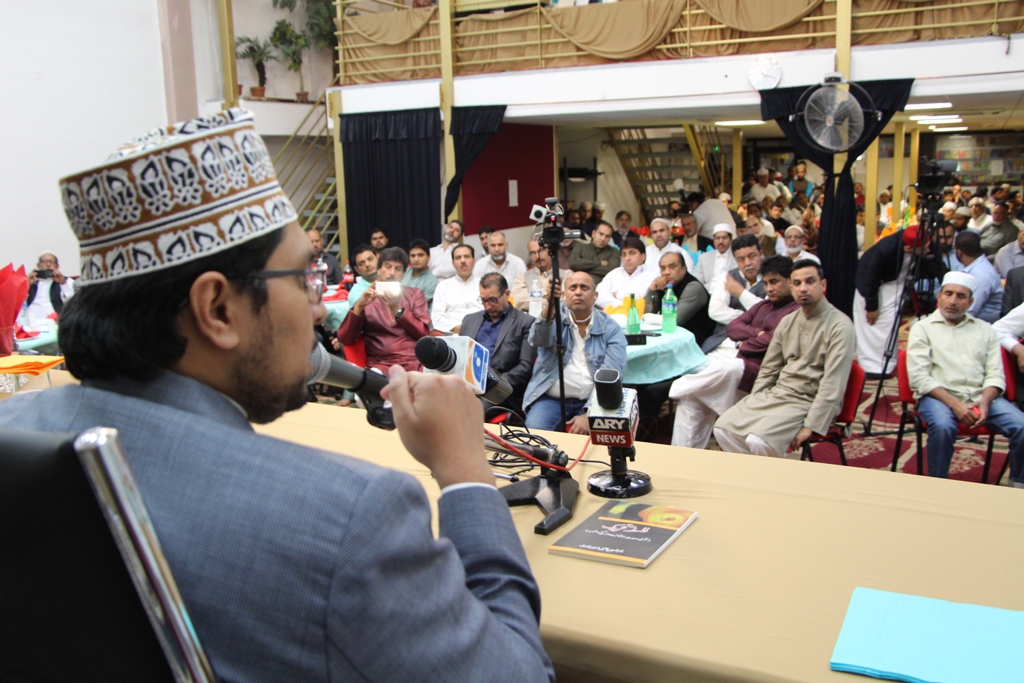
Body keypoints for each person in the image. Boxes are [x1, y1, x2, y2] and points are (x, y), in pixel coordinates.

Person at [0, 109, 554, 681]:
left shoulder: (12, 427)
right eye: (303, 277)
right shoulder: (350, 517)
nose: (318, 307)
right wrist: (466, 475)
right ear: (218, 310)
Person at [714, 260, 856, 458]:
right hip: (778, 394)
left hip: (808, 400)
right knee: (723, 428)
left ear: (823, 285)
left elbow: (833, 383)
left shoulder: (840, 326)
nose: (803, 288)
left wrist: (811, 425)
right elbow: (769, 369)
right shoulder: (787, 322)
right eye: (797, 283)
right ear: (791, 286)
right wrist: (755, 401)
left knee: (758, 440)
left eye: (809, 281)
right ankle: (755, 475)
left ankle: (773, 476)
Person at [907, 271, 1024, 485]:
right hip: (938, 397)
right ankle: (937, 486)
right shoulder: (922, 328)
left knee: (1022, 425)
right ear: (939, 296)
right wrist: (956, 405)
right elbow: (919, 378)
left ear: (970, 302)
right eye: (948, 294)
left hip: (981, 397)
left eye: (961, 296)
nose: (953, 301)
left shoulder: (985, 330)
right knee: (943, 427)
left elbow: (995, 374)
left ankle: (1018, 486)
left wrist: (986, 401)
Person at [669, 257, 798, 449]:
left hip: (766, 377)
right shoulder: (762, 306)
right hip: (742, 372)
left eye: (774, 282)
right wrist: (757, 334)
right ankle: (683, 459)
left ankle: (680, 385)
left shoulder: (795, 311)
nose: (769, 289)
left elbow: (773, 341)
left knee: (731, 366)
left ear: (790, 281)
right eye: (766, 283)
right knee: (692, 398)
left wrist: (747, 343)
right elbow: (733, 328)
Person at [523, 271, 627, 433]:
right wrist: (550, 306)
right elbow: (538, 340)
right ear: (564, 294)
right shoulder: (554, 317)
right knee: (535, 434)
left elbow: (611, 377)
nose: (578, 292)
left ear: (595, 296)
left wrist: (590, 413)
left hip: (596, 401)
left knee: (602, 440)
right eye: (573, 288)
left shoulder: (611, 328)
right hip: (551, 400)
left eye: (584, 287)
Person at [336, 247, 431, 373]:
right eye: (387, 267)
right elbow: (345, 338)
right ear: (378, 270)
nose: (392, 273)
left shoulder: (415, 295)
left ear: (403, 274)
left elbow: (423, 334)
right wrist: (359, 306)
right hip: (381, 364)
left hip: (414, 362)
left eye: (398, 269)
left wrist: (398, 310)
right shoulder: (368, 297)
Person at [853, 227, 929, 377]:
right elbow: (871, 278)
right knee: (874, 324)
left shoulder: (921, 241)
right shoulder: (885, 250)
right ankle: (872, 366)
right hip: (876, 288)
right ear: (909, 248)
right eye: (924, 248)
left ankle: (887, 364)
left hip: (896, 286)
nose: (928, 250)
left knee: (890, 325)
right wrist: (872, 306)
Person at [461, 273, 538, 416]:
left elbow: (525, 368)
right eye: (483, 300)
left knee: (469, 412)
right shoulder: (469, 320)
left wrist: (492, 383)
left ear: (507, 294)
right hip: (468, 386)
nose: (487, 306)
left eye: (492, 300)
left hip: (501, 391)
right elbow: (461, 358)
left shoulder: (525, 323)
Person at [703, 234, 767, 351]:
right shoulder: (728, 277)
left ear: (761, 254)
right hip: (724, 339)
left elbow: (767, 314)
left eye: (752, 256)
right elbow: (715, 310)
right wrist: (747, 319)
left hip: (758, 340)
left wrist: (741, 293)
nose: (747, 263)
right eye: (741, 259)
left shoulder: (771, 277)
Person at [644, 251, 715, 347]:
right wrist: (652, 290)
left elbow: (674, 320)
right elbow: (644, 314)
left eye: (672, 267)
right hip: (673, 339)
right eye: (663, 268)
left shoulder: (693, 287)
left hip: (696, 344)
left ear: (683, 269)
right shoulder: (665, 286)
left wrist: (650, 318)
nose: (666, 272)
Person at [595, 234, 657, 308]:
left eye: (632, 253)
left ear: (643, 256)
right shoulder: (614, 273)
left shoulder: (652, 274)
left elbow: (641, 299)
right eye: (624, 254)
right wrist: (623, 305)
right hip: (613, 314)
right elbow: (597, 296)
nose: (627, 258)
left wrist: (617, 294)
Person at [431, 244, 482, 333]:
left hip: (482, 333)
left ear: (474, 260)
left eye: (467, 256)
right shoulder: (443, 286)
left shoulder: (484, 284)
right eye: (458, 258)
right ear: (453, 263)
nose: (463, 261)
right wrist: (456, 328)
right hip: (453, 335)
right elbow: (437, 317)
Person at [954, 230, 1003, 323]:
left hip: (982, 325)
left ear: (959, 252)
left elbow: (970, 311)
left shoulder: (982, 274)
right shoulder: (966, 266)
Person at [18, 252, 75, 331]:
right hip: (30, 323)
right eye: (44, 261)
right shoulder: (30, 281)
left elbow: (72, 304)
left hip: (54, 324)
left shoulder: (67, 281)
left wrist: (63, 284)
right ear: (38, 266)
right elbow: (18, 305)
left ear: (57, 266)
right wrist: (25, 285)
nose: (48, 264)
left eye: (52, 262)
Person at [513, 240, 571, 312]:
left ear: (550, 251)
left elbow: (567, 300)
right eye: (533, 253)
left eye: (541, 251)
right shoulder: (522, 278)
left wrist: (534, 298)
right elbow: (519, 302)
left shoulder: (567, 275)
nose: (537, 256)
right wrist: (548, 294)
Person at [569, 221, 620, 285]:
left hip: (603, 287)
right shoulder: (580, 247)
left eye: (607, 236)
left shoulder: (614, 251)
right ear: (593, 233)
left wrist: (582, 268)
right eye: (601, 234)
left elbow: (612, 271)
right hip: (580, 285)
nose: (603, 238)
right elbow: (572, 263)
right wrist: (599, 263)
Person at [694, 223, 737, 287]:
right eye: (717, 238)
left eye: (724, 238)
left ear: (731, 240)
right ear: (713, 240)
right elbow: (698, 283)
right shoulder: (703, 258)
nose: (721, 241)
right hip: (707, 292)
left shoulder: (737, 258)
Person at [401, 238, 439, 306]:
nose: (416, 259)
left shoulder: (433, 283)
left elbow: (418, 306)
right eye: (413, 256)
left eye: (420, 255)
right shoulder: (403, 271)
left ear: (428, 258)